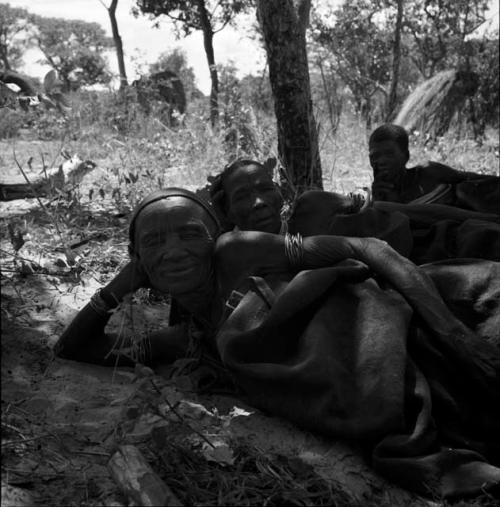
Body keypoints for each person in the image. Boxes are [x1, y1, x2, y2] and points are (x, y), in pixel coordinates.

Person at [54, 186, 500, 499]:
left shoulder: (238, 251)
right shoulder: (186, 337)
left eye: (190, 234)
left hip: (413, 323)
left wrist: (453, 334)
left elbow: (369, 247)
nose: (174, 250)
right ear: (139, 260)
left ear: (214, 239)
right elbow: (73, 348)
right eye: (154, 242)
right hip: (393, 379)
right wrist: (119, 285)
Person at [209, 158, 500, 264]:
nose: (259, 202)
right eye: (243, 196)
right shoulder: (234, 252)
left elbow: (395, 210)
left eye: (264, 189)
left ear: (279, 193)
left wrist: (480, 218)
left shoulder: (312, 206)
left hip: (434, 239)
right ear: (228, 211)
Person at [369, 123, 500, 213]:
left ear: (406, 156)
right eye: (375, 156)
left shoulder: (429, 173)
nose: (380, 161)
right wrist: (378, 200)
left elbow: (480, 180)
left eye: (389, 154)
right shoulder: (379, 195)